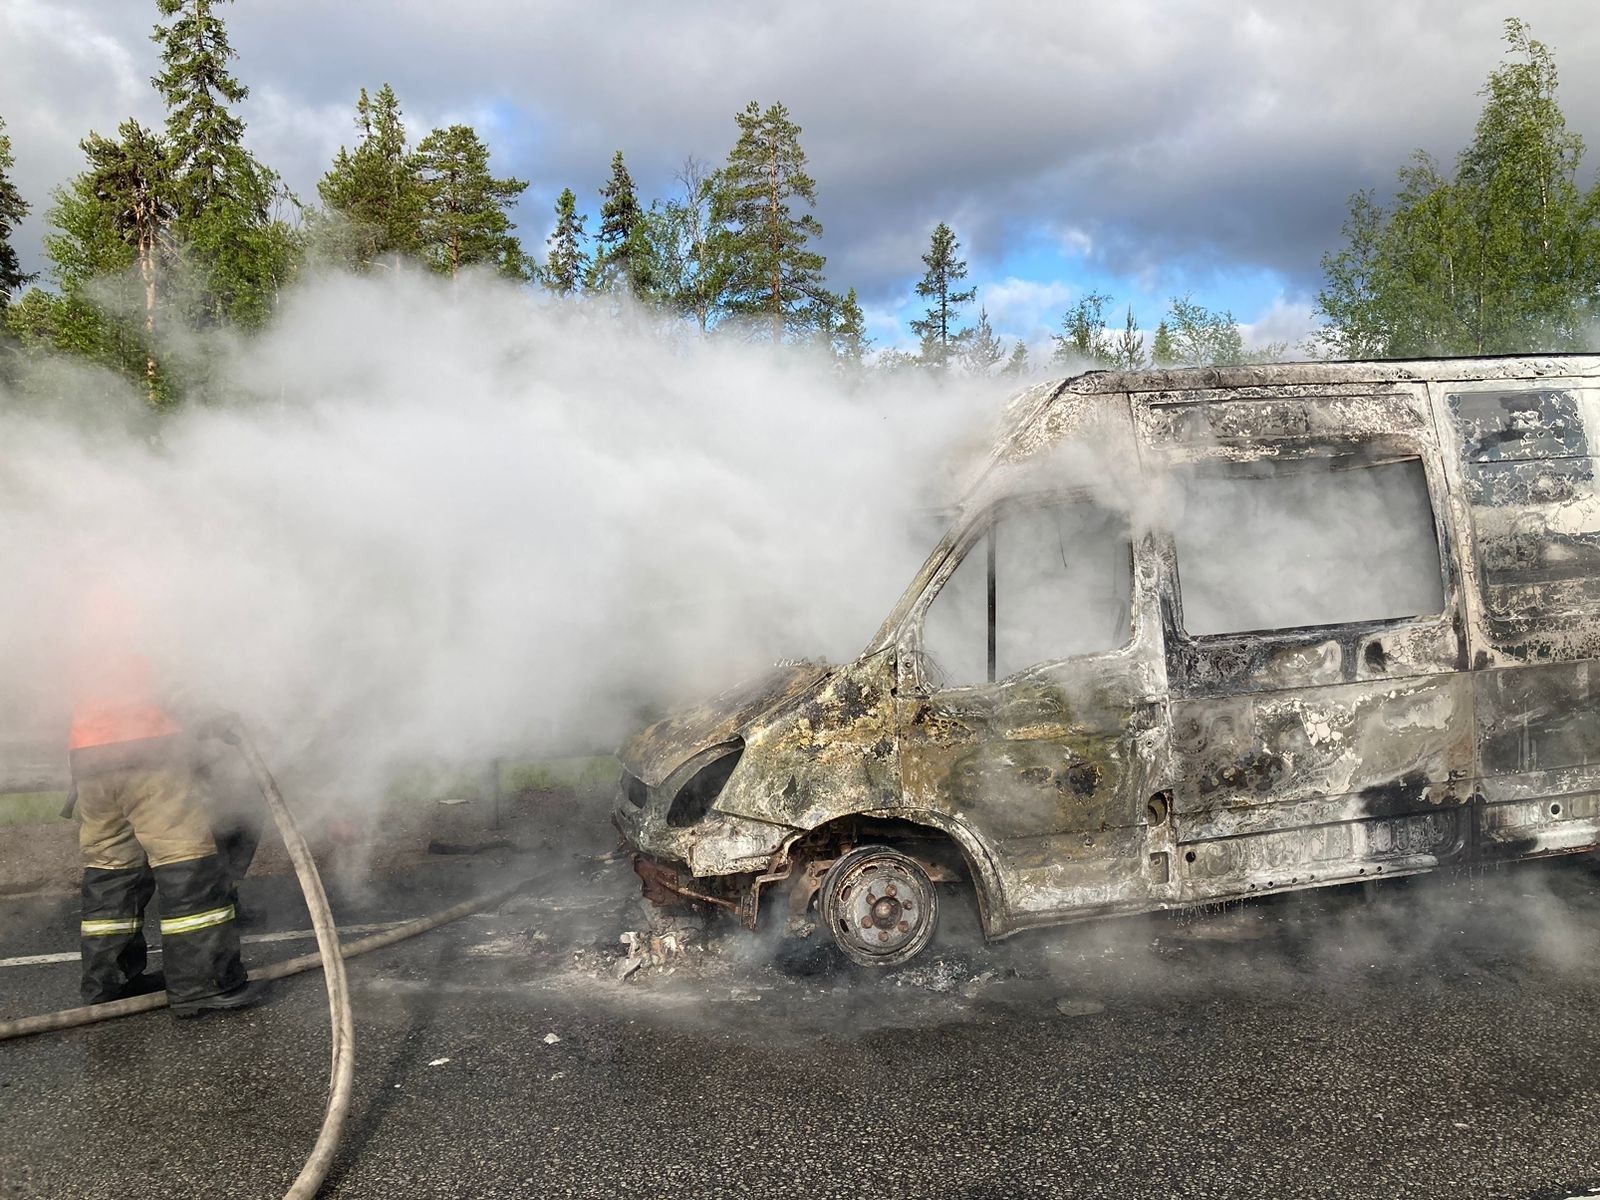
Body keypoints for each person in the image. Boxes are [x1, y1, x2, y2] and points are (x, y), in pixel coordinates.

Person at [68, 584, 267, 1017]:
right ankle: (203, 985)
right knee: (188, 866)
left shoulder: (83, 616)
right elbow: (172, 684)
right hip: (149, 758)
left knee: (111, 870)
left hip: (90, 762)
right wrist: (215, 716)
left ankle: (110, 982)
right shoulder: (146, 606)